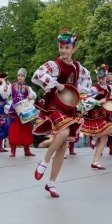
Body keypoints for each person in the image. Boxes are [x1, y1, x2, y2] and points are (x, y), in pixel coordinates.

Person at [31, 28, 92, 197]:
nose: (63, 51)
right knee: (64, 131)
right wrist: (55, 83)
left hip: (70, 107)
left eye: (67, 48)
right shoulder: (54, 65)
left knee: (64, 144)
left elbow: (87, 82)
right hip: (54, 105)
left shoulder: (78, 67)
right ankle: (44, 161)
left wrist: (83, 97)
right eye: (61, 47)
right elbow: (37, 75)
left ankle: (51, 183)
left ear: (74, 49)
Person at [80, 64, 112, 170]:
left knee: (104, 139)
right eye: (99, 77)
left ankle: (95, 162)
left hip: (105, 115)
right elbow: (86, 100)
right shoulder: (94, 88)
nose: (101, 79)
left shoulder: (110, 88)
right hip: (96, 115)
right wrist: (99, 101)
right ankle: (95, 137)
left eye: (103, 77)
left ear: (106, 76)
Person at [0, 68, 37, 157]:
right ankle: (13, 151)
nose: (20, 77)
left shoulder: (28, 87)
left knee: (26, 130)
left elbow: (34, 95)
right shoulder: (12, 86)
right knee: (13, 130)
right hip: (14, 110)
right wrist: (5, 88)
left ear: (25, 77)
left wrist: (31, 96)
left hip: (24, 111)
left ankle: (27, 150)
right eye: (19, 75)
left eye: (22, 76)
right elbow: (4, 94)